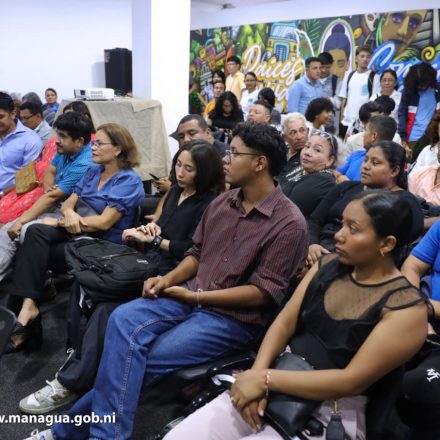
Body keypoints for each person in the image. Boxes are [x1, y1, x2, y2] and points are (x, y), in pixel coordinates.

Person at [25, 122, 309, 440]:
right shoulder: (223, 203)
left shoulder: (288, 223)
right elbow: (197, 254)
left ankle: (68, 432)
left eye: (234, 153)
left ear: (260, 163)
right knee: (121, 319)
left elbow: (262, 293)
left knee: (133, 361)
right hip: (191, 295)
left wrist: (196, 297)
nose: (226, 159)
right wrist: (167, 279)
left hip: (232, 320)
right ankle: (83, 433)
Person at [164, 191, 429, 440]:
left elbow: (350, 381)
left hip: (330, 410)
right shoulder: (326, 265)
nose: (338, 235)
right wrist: (258, 375)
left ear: (387, 244)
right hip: (277, 375)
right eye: (342, 224)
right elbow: (283, 323)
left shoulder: (406, 309)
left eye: (353, 229)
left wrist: (264, 380)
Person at [19, 140, 226, 414]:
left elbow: (194, 251)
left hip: (174, 273)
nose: (180, 172)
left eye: (189, 169)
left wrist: (155, 241)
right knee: (86, 278)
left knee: (105, 307)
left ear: (205, 172)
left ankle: (71, 381)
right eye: (178, 164)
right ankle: (78, 356)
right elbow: (160, 228)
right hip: (149, 261)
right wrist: (148, 231)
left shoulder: (211, 204)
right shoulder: (177, 190)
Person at [5, 123, 145, 353]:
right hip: (78, 235)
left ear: (118, 149)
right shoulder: (93, 171)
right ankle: (28, 308)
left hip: (102, 247)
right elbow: (68, 203)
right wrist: (68, 214)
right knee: (34, 232)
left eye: (99, 144)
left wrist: (61, 222)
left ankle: (25, 318)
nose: (93, 148)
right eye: (93, 143)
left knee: (33, 248)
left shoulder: (128, 181)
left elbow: (104, 222)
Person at [308, 140, 424, 266]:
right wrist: (312, 245)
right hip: (319, 249)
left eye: (375, 163)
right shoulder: (345, 187)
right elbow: (315, 220)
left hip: (359, 262)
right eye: (366, 160)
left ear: (394, 171)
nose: (365, 166)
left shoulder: (405, 203)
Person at [283, 129, 337, 218]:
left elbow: (287, 208)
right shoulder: (301, 169)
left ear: (330, 160)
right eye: (307, 146)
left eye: (317, 150)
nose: (307, 153)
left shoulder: (324, 181)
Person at [0, 92, 43, 195]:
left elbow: (28, 181)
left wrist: (2, 194)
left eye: (0, 117)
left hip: (12, 197)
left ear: (13, 114)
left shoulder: (30, 140)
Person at [335, 115, 397, 183]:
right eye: (366, 160)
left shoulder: (386, 166)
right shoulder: (357, 154)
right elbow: (335, 172)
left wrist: (347, 184)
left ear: (374, 136)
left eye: (365, 130)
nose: (363, 135)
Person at [398, 62, 440, 161]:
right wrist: (403, 138)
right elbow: (402, 114)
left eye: (424, 83)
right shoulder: (408, 92)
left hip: (433, 138)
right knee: (412, 167)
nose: (421, 86)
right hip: (413, 139)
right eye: (419, 84)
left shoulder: (438, 89)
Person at [339, 46, 379, 139]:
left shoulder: (374, 77)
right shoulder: (349, 75)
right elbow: (344, 99)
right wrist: (341, 119)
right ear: (356, 58)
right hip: (346, 123)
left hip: (362, 125)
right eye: (362, 56)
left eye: (368, 57)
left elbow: (374, 103)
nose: (365, 59)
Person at [277, 113, 309, 190]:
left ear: (308, 131)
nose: (299, 137)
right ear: (284, 137)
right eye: (293, 133)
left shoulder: (310, 157)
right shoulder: (280, 152)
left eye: (302, 130)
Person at [317, 51, 341, 134]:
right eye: (322, 67)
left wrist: (330, 100)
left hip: (328, 124)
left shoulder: (336, 80)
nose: (324, 70)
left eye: (327, 67)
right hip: (313, 123)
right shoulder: (312, 79)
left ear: (331, 66)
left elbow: (339, 104)